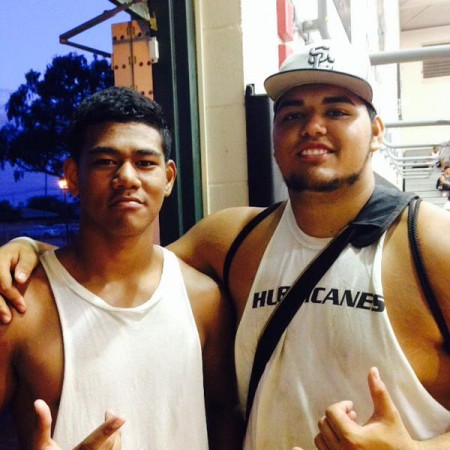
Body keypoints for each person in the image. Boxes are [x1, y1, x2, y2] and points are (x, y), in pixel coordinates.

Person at [1, 41, 450, 449]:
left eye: (337, 112)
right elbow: (117, 263)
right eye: (292, 115)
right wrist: (28, 250)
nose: (313, 127)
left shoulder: (430, 243)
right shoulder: (235, 239)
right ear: (274, 137)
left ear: (376, 131)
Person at [0, 87, 242, 449]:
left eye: (145, 163)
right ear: (73, 176)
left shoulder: (204, 300)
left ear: (168, 178)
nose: (127, 177)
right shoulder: (21, 305)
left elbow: (225, 419)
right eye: (105, 162)